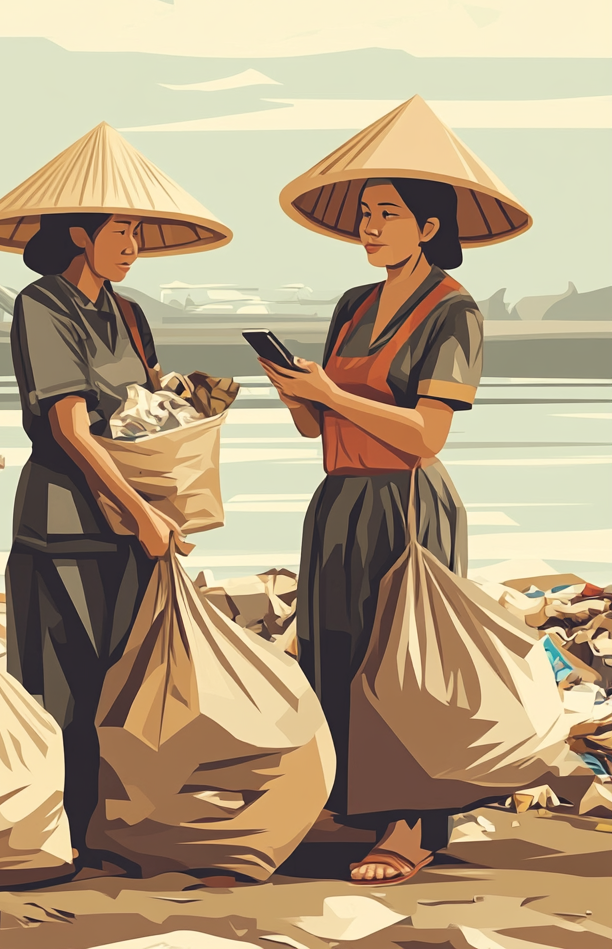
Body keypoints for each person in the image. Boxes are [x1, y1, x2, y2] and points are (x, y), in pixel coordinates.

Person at [267, 97, 532, 886]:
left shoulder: (454, 310)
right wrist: (295, 391)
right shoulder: (352, 305)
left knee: (408, 658)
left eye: (386, 214)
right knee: (337, 651)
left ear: (427, 226)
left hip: (406, 504)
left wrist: (334, 395)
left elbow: (425, 434)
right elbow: (315, 430)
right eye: (364, 214)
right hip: (340, 499)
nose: (368, 228)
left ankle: (413, 824)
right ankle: (354, 800)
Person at [0, 122, 231, 862]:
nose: (132, 240)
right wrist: (142, 511)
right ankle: (63, 838)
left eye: (139, 227)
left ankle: (113, 830)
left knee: (127, 682)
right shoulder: (42, 305)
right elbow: (73, 429)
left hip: (130, 524)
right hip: (65, 524)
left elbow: (139, 415)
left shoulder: (130, 313)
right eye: (120, 226)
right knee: (62, 693)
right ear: (78, 230)